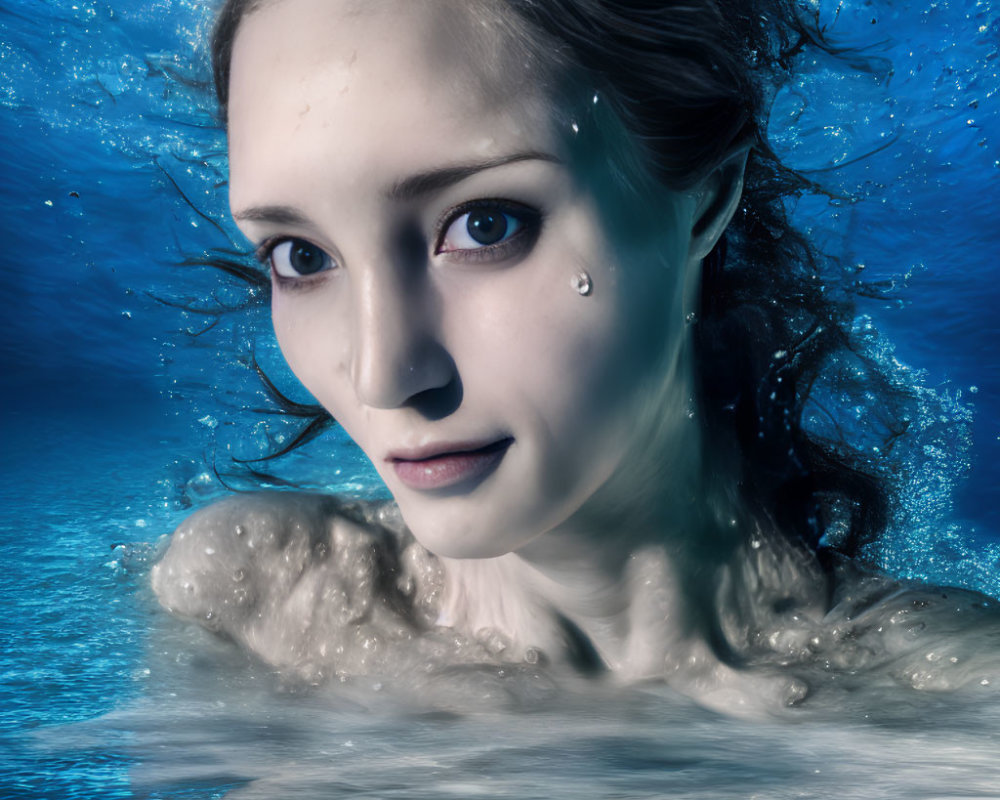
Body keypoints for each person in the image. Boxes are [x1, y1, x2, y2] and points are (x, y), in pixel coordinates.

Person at [152, 0, 1000, 715]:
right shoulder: (253, 596)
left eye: (485, 224)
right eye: (301, 257)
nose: (383, 373)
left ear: (703, 199)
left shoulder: (951, 705)